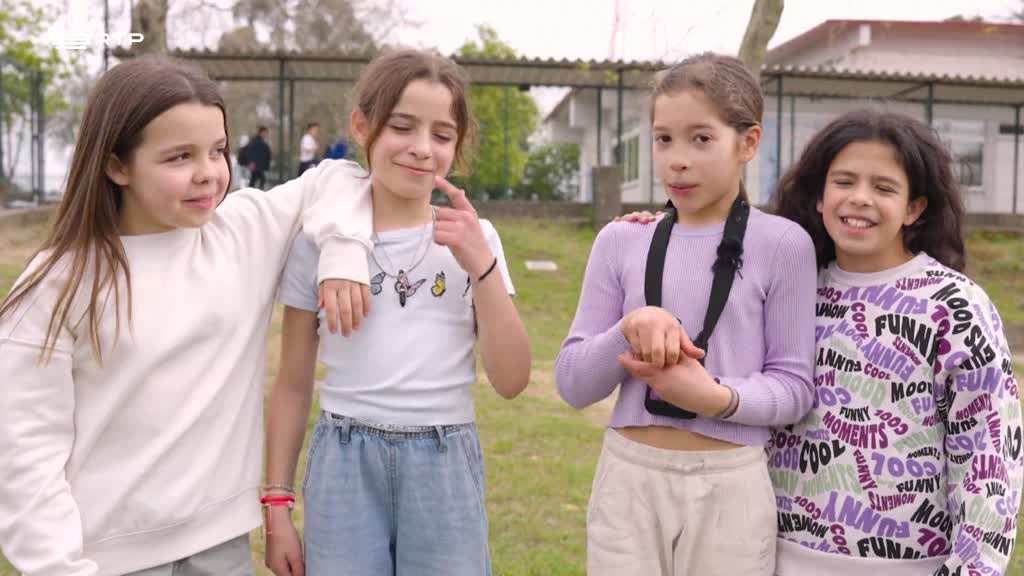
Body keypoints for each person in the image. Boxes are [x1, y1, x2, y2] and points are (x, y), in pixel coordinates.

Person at [0, 56, 373, 576]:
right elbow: (24, 452)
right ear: (116, 165)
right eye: (179, 157)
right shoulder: (58, 282)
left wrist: (343, 252)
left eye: (218, 150)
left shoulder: (240, 232)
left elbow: (341, 176)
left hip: (223, 549)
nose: (209, 173)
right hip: (101, 559)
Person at [263, 49, 531, 576]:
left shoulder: (477, 240)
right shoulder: (320, 243)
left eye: (442, 135)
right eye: (402, 127)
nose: (421, 149)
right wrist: (277, 507)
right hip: (343, 459)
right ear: (362, 126)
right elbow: (292, 383)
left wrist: (482, 267)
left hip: (444, 459)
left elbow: (512, 379)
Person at [554, 52, 817, 576]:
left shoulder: (785, 244)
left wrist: (716, 398)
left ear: (748, 142)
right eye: (663, 138)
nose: (677, 159)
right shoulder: (621, 240)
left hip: (731, 485)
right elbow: (573, 384)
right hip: (628, 479)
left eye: (701, 139)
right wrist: (628, 330)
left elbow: (795, 389)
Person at [768, 109, 1021, 576]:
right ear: (819, 197)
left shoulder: (954, 306)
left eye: (883, 188)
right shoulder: (786, 291)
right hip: (775, 559)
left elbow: (989, 457)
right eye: (843, 182)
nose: (859, 199)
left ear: (914, 208)